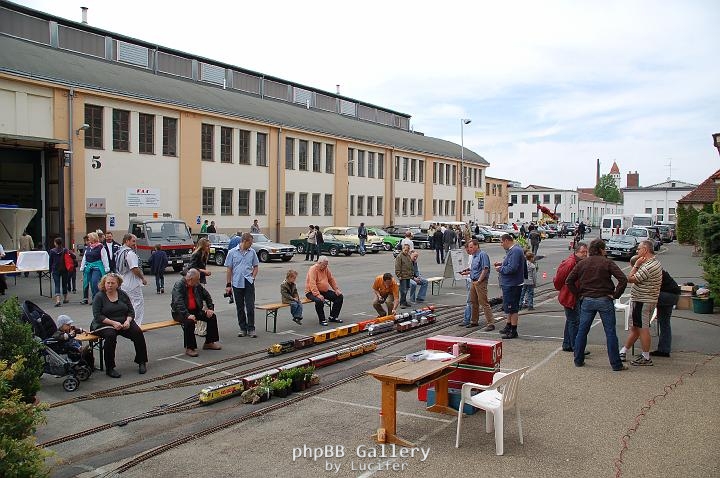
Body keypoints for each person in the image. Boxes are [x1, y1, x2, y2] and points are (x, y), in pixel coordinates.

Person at [566, 239, 628, 371]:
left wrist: (579, 294)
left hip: (587, 299)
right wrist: (616, 295)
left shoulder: (582, 263)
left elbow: (569, 281)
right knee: (610, 332)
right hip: (605, 299)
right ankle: (616, 364)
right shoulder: (607, 262)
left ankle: (578, 359)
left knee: (582, 331)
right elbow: (623, 279)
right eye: (604, 249)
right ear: (601, 250)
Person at [91, 273, 148, 378]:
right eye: (108, 283)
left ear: (118, 284)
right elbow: (97, 316)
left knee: (137, 332)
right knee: (111, 335)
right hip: (104, 323)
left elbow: (131, 311)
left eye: (113, 283)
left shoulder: (122, 294)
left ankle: (142, 361)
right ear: (104, 283)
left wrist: (128, 321)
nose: (110, 285)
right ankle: (110, 368)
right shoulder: (99, 296)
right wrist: (113, 323)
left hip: (123, 322)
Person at [619, 242, 663, 366]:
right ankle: (623, 350)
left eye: (638, 249)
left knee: (643, 329)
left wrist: (636, 266)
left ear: (645, 250)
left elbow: (631, 278)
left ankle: (646, 357)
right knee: (635, 328)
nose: (637, 251)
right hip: (646, 299)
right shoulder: (655, 263)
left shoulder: (648, 266)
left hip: (642, 300)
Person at [171, 268, 221, 357]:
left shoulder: (196, 285)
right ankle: (190, 348)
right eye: (197, 279)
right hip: (180, 313)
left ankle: (209, 342)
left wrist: (210, 308)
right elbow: (178, 302)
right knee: (189, 322)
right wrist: (187, 315)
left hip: (195, 310)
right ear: (190, 279)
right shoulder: (179, 285)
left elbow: (207, 295)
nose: (198, 281)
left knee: (212, 316)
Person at [554, 241, 589, 353]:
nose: (585, 254)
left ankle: (567, 344)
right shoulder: (570, 263)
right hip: (570, 296)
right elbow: (559, 279)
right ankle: (576, 347)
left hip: (574, 295)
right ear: (576, 252)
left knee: (571, 321)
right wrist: (563, 289)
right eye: (583, 252)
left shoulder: (579, 262)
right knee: (575, 322)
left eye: (586, 252)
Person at [225, 232, 259, 337]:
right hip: (237, 282)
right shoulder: (232, 252)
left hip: (248, 282)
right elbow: (229, 269)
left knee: (250, 306)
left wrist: (252, 277)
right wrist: (228, 285)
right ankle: (242, 328)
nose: (251, 245)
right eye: (250, 242)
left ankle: (251, 328)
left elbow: (256, 266)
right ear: (244, 241)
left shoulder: (252, 252)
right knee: (240, 307)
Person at [495, 234, 526, 339]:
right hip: (510, 283)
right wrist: (502, 264)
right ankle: (508, 326)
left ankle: (513, 330)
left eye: (502, 242)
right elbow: (510, 264)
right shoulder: (513, 251)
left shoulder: (515, 251)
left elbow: (512, 268)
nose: (501, 245)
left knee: (512, 308)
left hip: (512, 284)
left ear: (507, 241)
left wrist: (501, 269)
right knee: (509, 307)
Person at [115, 233, 147, 326]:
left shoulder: (120, 251)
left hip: (124, 282)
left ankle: (126, 322)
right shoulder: (130, 253)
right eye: (133, 241)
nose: (135, 243)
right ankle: (136, 324)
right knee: (138, 303)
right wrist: (142, 278)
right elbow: (134, 268)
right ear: (127, 241)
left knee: (127, 304)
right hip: (132, 283)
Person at [463, 239, 494, 330]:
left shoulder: (482, 255)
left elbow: (485, 269)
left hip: (480, 282)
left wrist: (479, 281)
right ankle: (474, 321)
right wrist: (467, 272)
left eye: (471, 247)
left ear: (477, 246)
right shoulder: (474, 256)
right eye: (469, 247)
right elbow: (476, 269)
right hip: (474, 281)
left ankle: (490, 323)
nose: (470, 249)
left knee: (484, 302)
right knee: (474, 302)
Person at [305, 256, 344, 325]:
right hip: (311, 292)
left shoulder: (326, 269)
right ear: (319, 263)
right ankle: (322, 319)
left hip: (323, 291)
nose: (326, 266)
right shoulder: (313, 269)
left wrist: (336, 289)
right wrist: (317, 295)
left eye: (327, 265)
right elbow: (312, 283)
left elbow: (331, 279)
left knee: (339, 297)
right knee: (319, 301)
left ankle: (333, 317)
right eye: (324, 265)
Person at [651, 269, 681, 358]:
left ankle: (664, 350)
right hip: (671, 294)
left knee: (664, 322)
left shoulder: (652, 271)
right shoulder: (656, 269)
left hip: (667, 295)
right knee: (664, 323)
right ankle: (664, 349)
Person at [80, 232, 110, 304]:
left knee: (94, 282)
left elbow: (104, 258)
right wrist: (82, 267)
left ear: (93, 238)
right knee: (87, 283)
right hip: (88, 267)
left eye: (89, 237)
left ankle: (96, 299)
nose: (88, 239)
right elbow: (85, 257)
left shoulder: (100, 247)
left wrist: (106, 268)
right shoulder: (88, 247)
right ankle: (90, 298)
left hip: (97, 267)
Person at [49, 237, 70, 307]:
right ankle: (65, 298)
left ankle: (58, 300)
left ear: (55, 243)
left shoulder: (52, 251)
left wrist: (50, 270)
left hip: (55, 269)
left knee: (57, 284)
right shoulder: (65, 250)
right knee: (64, 284)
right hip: (64, 269)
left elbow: (50, 261)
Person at [395, 243, 413, 308]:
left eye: (407, 250)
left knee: (407, 289)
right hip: (402, 276)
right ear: (402, 249)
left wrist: (411, 274)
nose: (406, 251)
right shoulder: (399, 256)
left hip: (408, 275)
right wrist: (398, 275)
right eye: (405, 250)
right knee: (403, 290)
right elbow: (397, 267)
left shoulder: (408, 256)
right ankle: (402, 303)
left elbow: (410, 265)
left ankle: (405, 301)